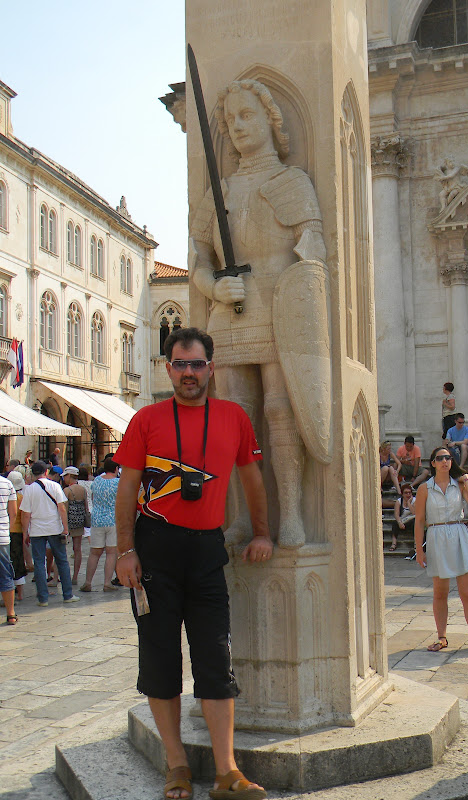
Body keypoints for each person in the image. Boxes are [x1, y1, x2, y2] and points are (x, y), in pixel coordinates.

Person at [115, 327, 271, 800]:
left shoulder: (233, 417)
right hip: (154, 552)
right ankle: (177, 764)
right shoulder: (146, 419)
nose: (188, 373)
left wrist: (262, 531)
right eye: (180, 364)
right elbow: (127, 488)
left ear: (211, 368)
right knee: (159, 659)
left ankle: (227, 771)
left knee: (215, 659)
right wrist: (125, 550)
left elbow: (252, 479)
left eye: (196, 364)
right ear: (168, 369)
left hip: (206, 551)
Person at [190, 79, 327, 549]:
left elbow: (313, 255)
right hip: (229, 312)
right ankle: (245, 517)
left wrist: (296, 287)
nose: (238, 126)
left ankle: (291, 515)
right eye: (230, 120)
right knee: (233, 416)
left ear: (270, 119)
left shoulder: (291, 182)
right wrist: (213, 285)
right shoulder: (221, 190)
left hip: (278, 306)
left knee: (281, 408)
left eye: (247, 115)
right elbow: (198, 258)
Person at [414, 446, 468, 657]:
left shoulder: (460, 484)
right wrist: (419, 549)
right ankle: (441, 636)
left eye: (448, 457)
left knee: (467, 593)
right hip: (436, 536)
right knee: (440, 592)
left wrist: (467, 481)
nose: (445, 461)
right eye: (440, 458)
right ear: (433, 463)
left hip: (458, 534)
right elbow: (419, 521)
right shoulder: (425, 489)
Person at [20, 460, 79, 607]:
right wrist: (65, 528)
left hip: (36, 530)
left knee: (39, 563)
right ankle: (67, 594)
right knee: (62, 561)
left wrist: (25, 532)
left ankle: (43, 598)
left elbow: (26, 514)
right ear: (46, 472)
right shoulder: (55, 486)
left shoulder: (29, 490)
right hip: (55, 528)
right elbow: (62, 508)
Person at [79, 460, 119, 593]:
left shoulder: (97, 481)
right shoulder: (118, 483)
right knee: (111, 552)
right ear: (116, 468)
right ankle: (107, 583)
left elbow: (92, 496)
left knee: (94, 552)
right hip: (113, 520)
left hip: (97, 519)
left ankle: (88, 582)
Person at [62, 467, 87, 586]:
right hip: (79, 521)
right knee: (77, 549)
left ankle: (58, 576)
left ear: (69, 476)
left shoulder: (67, 490)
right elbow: (86, 507)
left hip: (68, 522)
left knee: (61, 550)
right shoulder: (82, 489)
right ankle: (75, 576)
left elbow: (64, 508)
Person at [0, 472, 17, 624]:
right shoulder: (7, 484)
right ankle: (11, 614)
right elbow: (13, 513)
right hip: (2, 536)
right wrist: (7, 531)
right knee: (5, 573)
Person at [7, 470, 26, 602]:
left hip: (6, 530)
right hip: (18, 532)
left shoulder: (5, 497)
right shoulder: (21, 498)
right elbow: (24, 517)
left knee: (7, 561)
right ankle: (20, 594)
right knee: (18, 560)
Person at [390, 483, 415, 554]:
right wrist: (399, 522)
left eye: (409, 493)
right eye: (406, 493)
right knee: (394, 523)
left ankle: (416, 544)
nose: (408, 494)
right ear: (402, 494)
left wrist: (409, 503)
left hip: (411, 520)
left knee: (416, 522)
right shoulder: (399, 501)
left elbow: (414, 512)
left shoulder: (414, 501)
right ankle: (394, 543)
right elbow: (396, 514)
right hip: (403, 520)